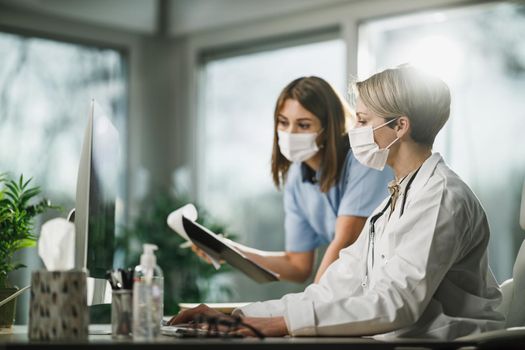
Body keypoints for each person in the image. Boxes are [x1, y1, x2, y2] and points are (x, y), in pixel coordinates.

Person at [170, 66, 505, 339]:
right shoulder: (391, 202)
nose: (353, 131)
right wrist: (238, 315)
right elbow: (331, 289)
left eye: (362, 121)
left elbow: (396, 303)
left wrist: (284, 323)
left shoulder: (440, 196)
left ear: (400, 126)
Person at [196, 76, 392, 283]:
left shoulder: (362, 160)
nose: (290, 133)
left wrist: (310, 305)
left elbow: (345, 243)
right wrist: (227, 249)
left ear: (328, 129)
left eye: (304, 125)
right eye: (283, 122)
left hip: (387, 279)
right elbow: (297, 266)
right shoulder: (297, 178)